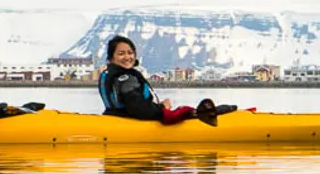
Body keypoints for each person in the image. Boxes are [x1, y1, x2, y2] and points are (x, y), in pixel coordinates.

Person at [98, 36, 229, 126]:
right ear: (111, 57)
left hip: (112, 118)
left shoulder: (108, 73)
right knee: (184, 112)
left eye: (130, 53)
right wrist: (161, 108)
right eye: (121, 53)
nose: (127, 57)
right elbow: (139, 109)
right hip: (131, 122)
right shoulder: (126, 78)